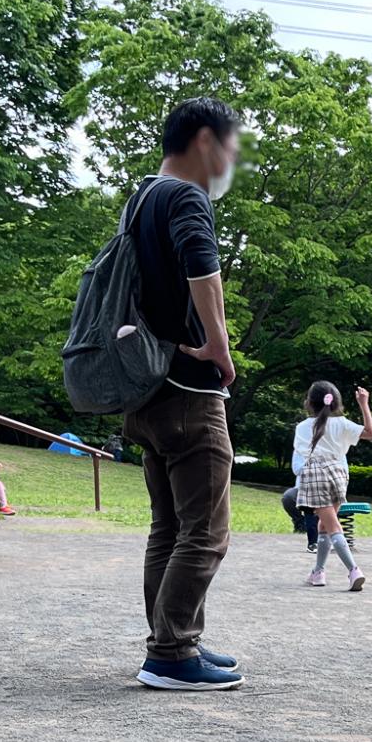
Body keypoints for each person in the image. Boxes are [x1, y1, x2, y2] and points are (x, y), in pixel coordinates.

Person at [122, 97, 245, 691]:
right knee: (206, 530)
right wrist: (219, 347)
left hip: (144, 387)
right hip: (186, 391)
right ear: (205, 140)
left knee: (168, 529)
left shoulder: (141, 196)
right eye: (231, 145)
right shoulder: (186, 197)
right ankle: (170, 653)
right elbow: (203, 269)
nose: (232, 159)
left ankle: (174, 640)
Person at [294, 381, 372, 591]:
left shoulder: (302, 427)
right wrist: (364, 403)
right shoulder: (342, 423)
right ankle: (318, 572)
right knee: (324, 525)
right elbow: (370, 433)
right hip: (339, 475)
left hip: (316, 475)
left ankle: (354, 570)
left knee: (332, 526)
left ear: (309, 403)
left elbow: (302, 456)